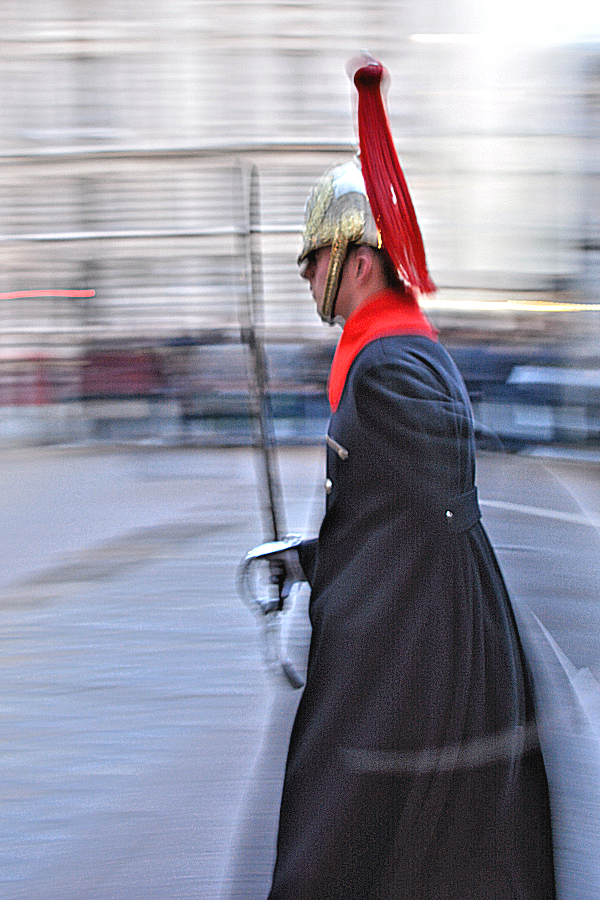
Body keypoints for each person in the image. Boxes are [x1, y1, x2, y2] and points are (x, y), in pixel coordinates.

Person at [246, 56, 557, 899]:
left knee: (356, 848)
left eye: (315, 259)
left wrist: (327, 588)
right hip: (411, 630)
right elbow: (385, 509)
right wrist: (304, 562)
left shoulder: (389, 363)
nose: (307, 275)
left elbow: (427, 509)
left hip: (413, 653)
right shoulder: (391, 349)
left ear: (356, 260)